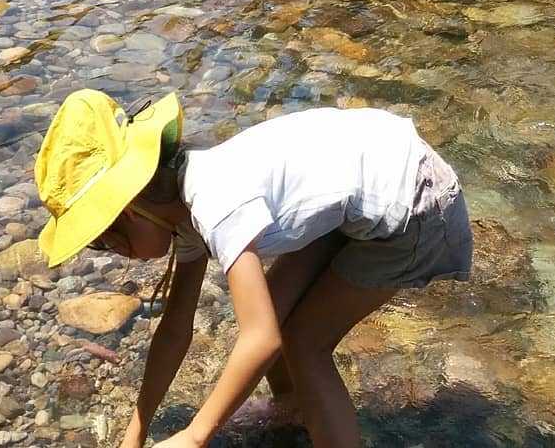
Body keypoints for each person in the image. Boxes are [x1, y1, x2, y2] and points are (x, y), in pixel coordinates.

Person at [35, 90, 473, 448]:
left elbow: (261, 340)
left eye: (104, 238)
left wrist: (195, 434)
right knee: (276, 307)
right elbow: (175, 329)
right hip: (370, 184)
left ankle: (310, 413)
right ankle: (294, 411)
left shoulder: (215, 203)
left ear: (129, 211)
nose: (113, 252)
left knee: (302, 343)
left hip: (415, 202)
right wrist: (136, 432)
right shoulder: (180, 209)